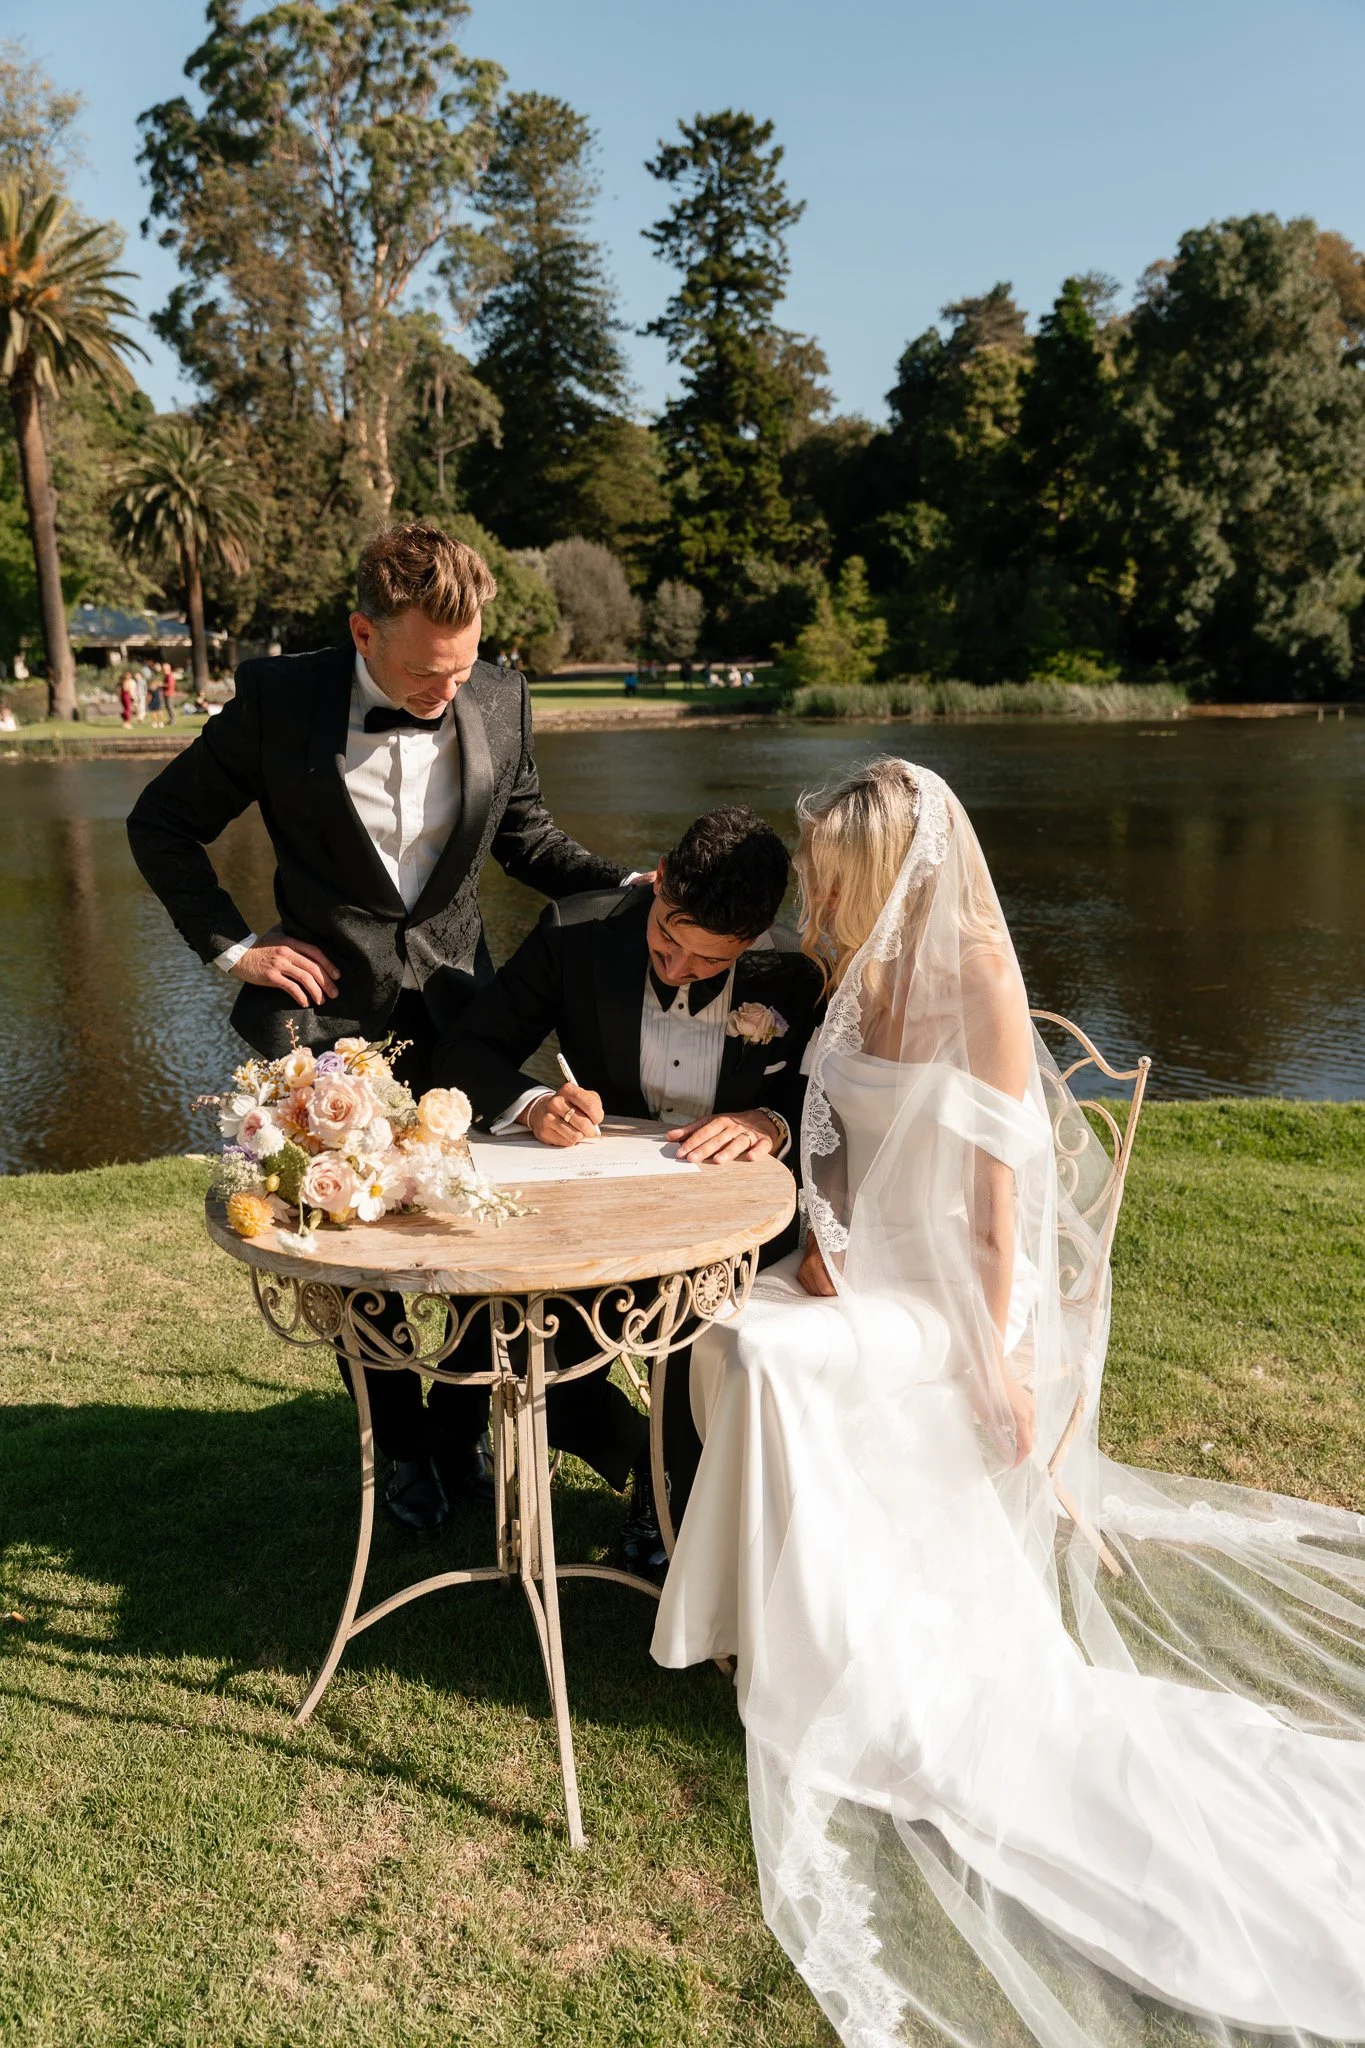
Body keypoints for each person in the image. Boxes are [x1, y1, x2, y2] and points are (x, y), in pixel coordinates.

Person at [652, 756, 1365, 2048]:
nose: (817, 902)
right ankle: (769, 1624)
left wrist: (1001, 1357)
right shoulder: (860, 971)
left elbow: (996, 1205)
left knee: (764, 1359)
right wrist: (823, 1246)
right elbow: (848, 1153)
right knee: (731, 1325)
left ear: (882, 869)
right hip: (870, 1267)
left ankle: (823, 1661)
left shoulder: (976, 975)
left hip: (958, 1300)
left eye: (830, 878)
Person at [128, 523, 635, 1535]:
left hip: (463, 1008)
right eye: (424, 673)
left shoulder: (496, 693)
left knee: (485, 1219)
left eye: (463, 667)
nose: (451, 691)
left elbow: (525, 838)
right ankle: (404, 1448)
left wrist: (628, 886)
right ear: (363, 629)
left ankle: (459, 1416)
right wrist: (236, 949)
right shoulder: (281, 700)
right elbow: (162, 821)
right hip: (325, 1017)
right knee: (354, 1243)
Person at [437, 806, 824, 1572]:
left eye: (706, 963)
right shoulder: (573, 933)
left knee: (690, 1330)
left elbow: (831, 1105)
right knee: (534, 1331)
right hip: (599, 1205)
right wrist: (532, 1102)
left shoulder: (796, 972)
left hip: (739, 1217)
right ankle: (647, 1470)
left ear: (749, 942)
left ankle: (680, 1502)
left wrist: (769, 1122)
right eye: (665, 942)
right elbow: (468, 1051)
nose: (676, 968)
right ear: (658, 883)